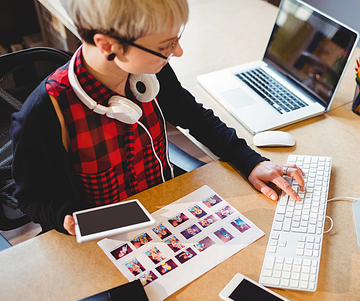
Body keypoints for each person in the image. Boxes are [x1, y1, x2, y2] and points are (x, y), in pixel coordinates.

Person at [10, 0, 304, 236]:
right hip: (106, 239)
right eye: (165, 46)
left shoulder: (150, 74)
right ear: (108, 46)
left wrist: (250, 161)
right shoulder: (45, 113)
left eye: (176, 40)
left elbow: (195, 117)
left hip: (164, 211)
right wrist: (65, 218)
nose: (178, 52)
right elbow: (32, 198)